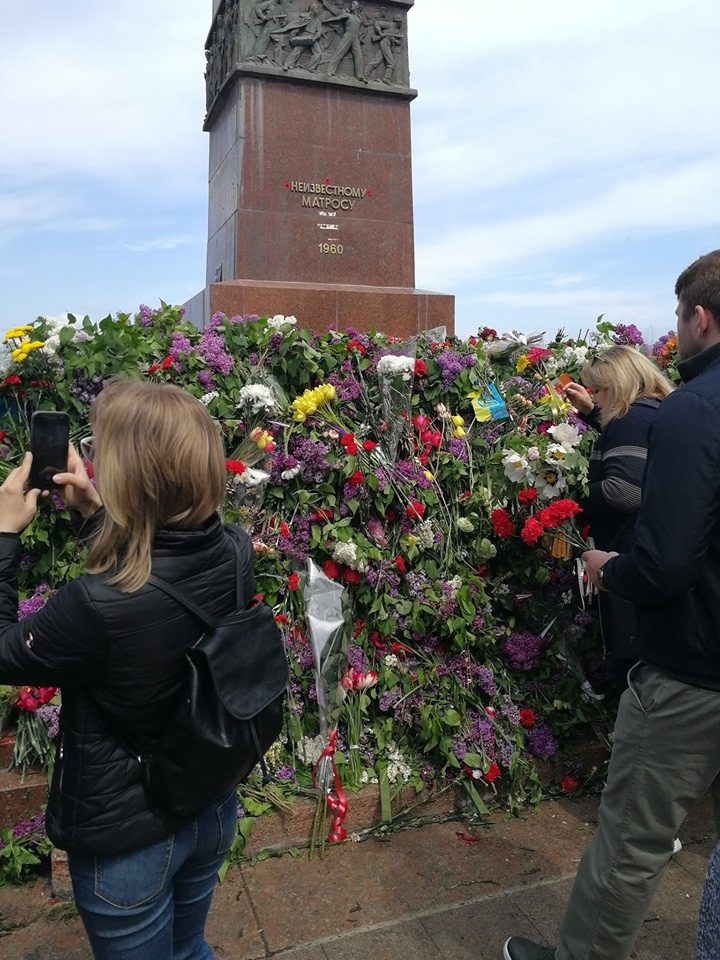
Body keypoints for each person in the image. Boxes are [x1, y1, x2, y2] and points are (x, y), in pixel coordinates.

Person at [503, 249, 720, 960]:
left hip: (696, 667)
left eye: (679, 317)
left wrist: (611, 566)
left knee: (632, 841)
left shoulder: (695, 409)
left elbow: (666, 565)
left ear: (701, 319)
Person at [0, 379, 255, 959]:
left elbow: (4, 650)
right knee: (190, 951)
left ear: (127, 478)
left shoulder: (94, 605)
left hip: (129, 838)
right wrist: (92, 514)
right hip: (211, 799)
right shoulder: (234, 549)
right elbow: (158, 587)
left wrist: (4, 534)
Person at [564, 346, 674, 693]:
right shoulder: (651, 410)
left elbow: (624, 491)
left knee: (633, 668)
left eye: (598, 389)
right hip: (650, 550)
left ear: (619, 384)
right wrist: (592, 413)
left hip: (628, 552)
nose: (594, 395)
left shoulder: (631, 418)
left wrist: (567, 500)